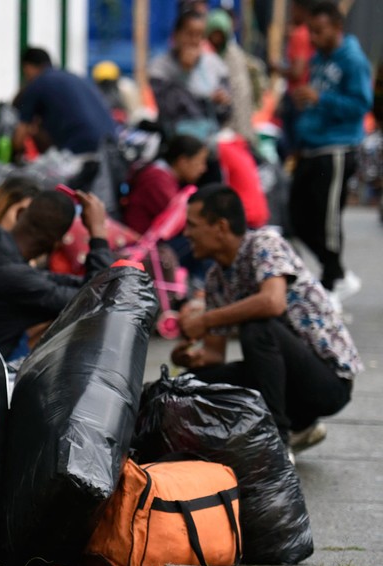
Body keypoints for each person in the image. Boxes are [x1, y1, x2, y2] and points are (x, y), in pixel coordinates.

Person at [172, 185, 360, 457]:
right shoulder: (215, 279)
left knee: (258, 327)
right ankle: (301, 427)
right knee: (189, 384)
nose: (186, 234)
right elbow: (214, 354)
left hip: (328, 382)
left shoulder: (264, 243)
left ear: (221, 226)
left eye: (192, 225)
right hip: (285, 382)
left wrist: (206, 320)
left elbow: (273, 302)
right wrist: (188, 358)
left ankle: (278, 444)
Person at [0, 190, 113, 361]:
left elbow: (82, 288)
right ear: (56, 242)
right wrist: (98, 232)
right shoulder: (14, 277)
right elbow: (99, 297)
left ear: (20, 214)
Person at [289, 0, 372, 300]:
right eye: (310, 31)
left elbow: (361, 105)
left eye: (319, 31)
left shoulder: (352, 59)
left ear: (337, 28)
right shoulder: (319, 58)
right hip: (311, 147)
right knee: (297, 216)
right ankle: (337, 272)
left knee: (327, 221)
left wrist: (320, 99)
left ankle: (331, 282)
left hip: (336, 149)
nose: (313, 38)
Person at [14, 48, 116, 190]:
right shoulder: (72, 76)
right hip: (111, 145)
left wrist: (15, 158)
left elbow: (21, 133)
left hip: (82, 152)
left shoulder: (37, 83)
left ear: (28, 67)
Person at [149, 10, 232, 140]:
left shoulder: (214, 64)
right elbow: (170, 109)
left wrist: (221, 102)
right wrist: (184, 71)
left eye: (199, 35)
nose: (194, 41)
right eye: (189, 34)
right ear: (176, 35)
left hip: (209, 139)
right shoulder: (160, 67)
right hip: (176, 142)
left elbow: (226, 111)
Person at [125, 134, 209, 235]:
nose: (203, 169)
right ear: (183, 161)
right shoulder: (157, 179)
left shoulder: (164, 177)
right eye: (200, 162)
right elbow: (181, 220)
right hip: (139, 242)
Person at [206, 9, 257, 141]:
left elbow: (239, 93)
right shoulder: (204, 55)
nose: (216, 39)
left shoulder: (233, 56)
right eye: (214, 34)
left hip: (234, 122)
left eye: (220, 35)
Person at [274, 0, 316, 154]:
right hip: (306, 96)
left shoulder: (300, 34)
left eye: (293, 8)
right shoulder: (310, 32)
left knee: (290, 148)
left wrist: (276, 68)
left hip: (296, 97)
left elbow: (297, 72)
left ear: (300, 9)